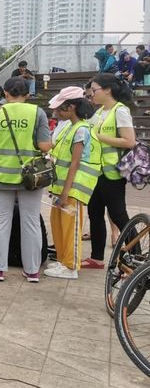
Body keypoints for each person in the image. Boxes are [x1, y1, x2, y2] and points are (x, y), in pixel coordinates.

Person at [0, 77, 52, 282]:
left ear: (5, 93)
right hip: (30, 178)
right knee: (31, 222)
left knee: (1, 221)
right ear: (27, 94)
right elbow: (45, 146)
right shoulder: (37, 113)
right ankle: (32, 271)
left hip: (1, 176)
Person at [43, 87, 101, 279]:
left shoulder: (81, 130)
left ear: (73, 107)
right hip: (61, 187)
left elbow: (75, 163)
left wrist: (66, 192)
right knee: (58, 225)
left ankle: (71, 266)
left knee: (71, 227)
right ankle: (62, 260)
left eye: (61, 109)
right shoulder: (70, 127)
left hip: (72, 188)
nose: (57, 113)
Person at [82, 74, 137, 269]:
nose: (92, 94)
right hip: (96, 173)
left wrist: (98, 136)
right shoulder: (99, 113)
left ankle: (136, 255)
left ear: (107, 89)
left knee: (118, 215)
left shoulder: (119, 111)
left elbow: (129, 141)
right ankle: (97, 257)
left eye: (94, 90)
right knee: (94, 213)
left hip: (112, 173)